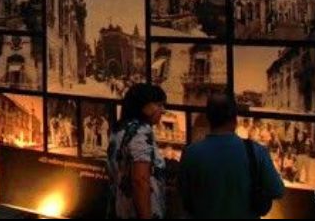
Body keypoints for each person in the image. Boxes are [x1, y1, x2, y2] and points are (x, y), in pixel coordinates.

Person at [179, 93, 285, 218]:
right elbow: (277, 190)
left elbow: (184, 195)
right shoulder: (256, 152)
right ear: (235, 119)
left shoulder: (191, 153)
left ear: (208, 118)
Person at [107, 83, 169, 219]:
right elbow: (140, 180)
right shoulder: (141, 132)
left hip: (121, 210)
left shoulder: (119, 130)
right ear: (145, 107)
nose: (163, 111)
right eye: (159, 105)